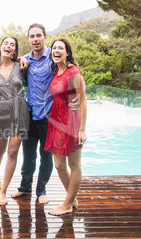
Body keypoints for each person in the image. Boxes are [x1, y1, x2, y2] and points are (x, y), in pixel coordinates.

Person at [12, 23, 79, 204]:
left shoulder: (53, 56)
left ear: (44, 37)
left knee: (46, 156)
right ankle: (25, 187)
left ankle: (41, 190)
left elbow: (71, 71)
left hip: (50, 116)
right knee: (28, 155)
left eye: (38, 36)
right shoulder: (25, 59)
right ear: (29, 39)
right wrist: (18, 59)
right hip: (29, 114)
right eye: (32, 36)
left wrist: (78, 96)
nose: (35, 39)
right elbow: (5, 67)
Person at [44, 38, 87, 215]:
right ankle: (72, 197)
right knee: (59, 165)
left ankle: (68, 204)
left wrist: (82, 130)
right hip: (56, 121)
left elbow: (83, 102)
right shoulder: (56, 71)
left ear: (67, 52)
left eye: (61, 48)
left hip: (71, 121)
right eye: (54, 48)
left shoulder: (74, 73)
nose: (57, 50)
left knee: (74, 163)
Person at [0, 36, 29, 205]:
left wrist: (23, 58)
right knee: (0, 150)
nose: (9, 46)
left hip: (20, 109)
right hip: (2, 111)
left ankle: (3, 191)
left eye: (12, 45)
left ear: (14, 50)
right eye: (6, 43)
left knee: (12, 152)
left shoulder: (21, 66)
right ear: (1, 46)